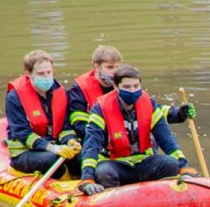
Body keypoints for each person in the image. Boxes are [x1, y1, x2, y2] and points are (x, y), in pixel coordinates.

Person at [78, 65, 197, 195]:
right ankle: (114, 201)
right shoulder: (101, 109)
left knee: (169, 164)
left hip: (144, 163)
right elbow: (91, 145)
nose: (132, 91)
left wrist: (183, 168)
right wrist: (87, 178)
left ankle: (160, 198)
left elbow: (166, 139)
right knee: (104, 172)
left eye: (136, 86)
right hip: (115, 164)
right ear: (116, 87)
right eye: (127, 87)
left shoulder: (149, 104)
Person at [66, 45, 194, 139]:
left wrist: (179, 113)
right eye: (110, 67)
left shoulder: (125, 84)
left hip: (125, 137)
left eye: (117, 67)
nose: (115, 72)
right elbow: (79, 126)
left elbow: (148, 109)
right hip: (100, 140)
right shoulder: (80, 90)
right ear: (96, 67)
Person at [5, 50, 81, 177]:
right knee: (52, 159)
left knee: (81, 156)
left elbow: (65, 127)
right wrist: (53, 148)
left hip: (54, 145)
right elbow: (23, 134)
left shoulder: (60, 93)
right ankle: (64, 184)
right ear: (29, 74)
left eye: (49, 72)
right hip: (25, 152)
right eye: (41, 73)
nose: (46, 77)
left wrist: (70, 141)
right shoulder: (15, 97)